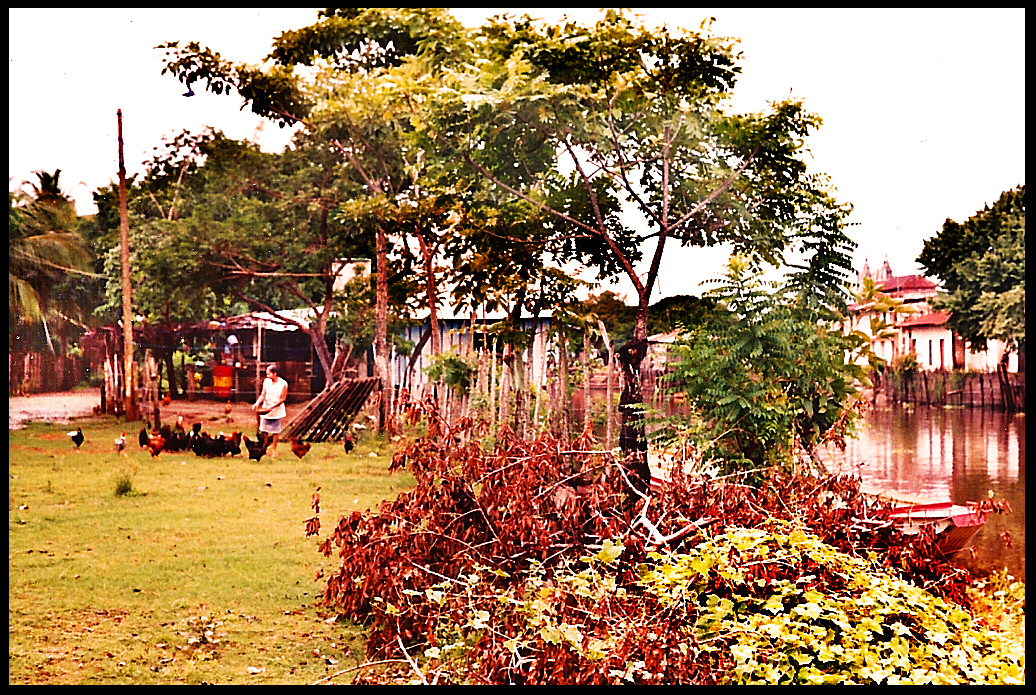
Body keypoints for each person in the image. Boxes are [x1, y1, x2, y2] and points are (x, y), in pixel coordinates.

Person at [252, 363, 289, 458]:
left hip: (277, 410)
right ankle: (265, 448)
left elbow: (283, 398)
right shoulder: (266, 382)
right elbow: (263, 395)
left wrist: (273, 407)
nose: (267, 376)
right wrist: (257, 403)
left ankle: (274, 449)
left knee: (275, 431)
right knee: (264, 429)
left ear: (275, 373)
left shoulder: (283, 384)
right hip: (266, 408)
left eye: (269, 374)